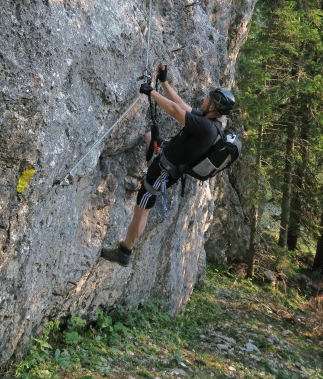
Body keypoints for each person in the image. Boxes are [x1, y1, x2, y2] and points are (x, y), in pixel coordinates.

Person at [101, 63, 236, 267]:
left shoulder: (206, 128)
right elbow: (181, 104)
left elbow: (174, 111)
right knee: (150, 136)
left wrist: (152, 92)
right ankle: (150, 169)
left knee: (142, 208)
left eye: (208, 98)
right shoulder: (210, 122)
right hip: (166, 159)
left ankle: (125, 251)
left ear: (214, 106)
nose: (205, 99)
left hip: (164, 171)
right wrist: (163, 81)